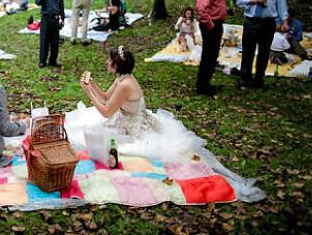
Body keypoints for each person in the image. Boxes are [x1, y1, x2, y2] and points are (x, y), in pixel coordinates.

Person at [63, 46, 265, 203]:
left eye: (110, 60)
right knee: (84, 128)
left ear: (116, 65)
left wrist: (88, 92)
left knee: (91, 135)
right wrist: (93, 86)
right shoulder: (122, 78)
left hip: (133, 128)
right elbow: (107, 97)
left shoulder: (125, 84)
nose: (107, 62)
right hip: (124, 119)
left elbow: (106, 110)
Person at [236, 0, 289, 89]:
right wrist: (252, 0)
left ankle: (259, 79)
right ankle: (245, 77)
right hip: (252, 21)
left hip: (268, 22)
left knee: (264, 52)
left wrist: (285, 20)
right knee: (248, 51)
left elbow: (282, 5)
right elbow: (239, 1)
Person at [195, 0, 229, 96]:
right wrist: (210, 24)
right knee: (208, 55)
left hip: (216, 23)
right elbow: (202, 8)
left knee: (213, 54)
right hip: (211, 25)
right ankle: (202, 86)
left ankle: (206, 83)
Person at [35, 0, 64, 68]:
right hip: (45, 18)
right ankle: (42, 61)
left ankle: (53, 61)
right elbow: (37, 2)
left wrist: (62, 19)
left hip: (55, 19)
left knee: (55, 41)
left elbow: (61, 7)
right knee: (44, 40)